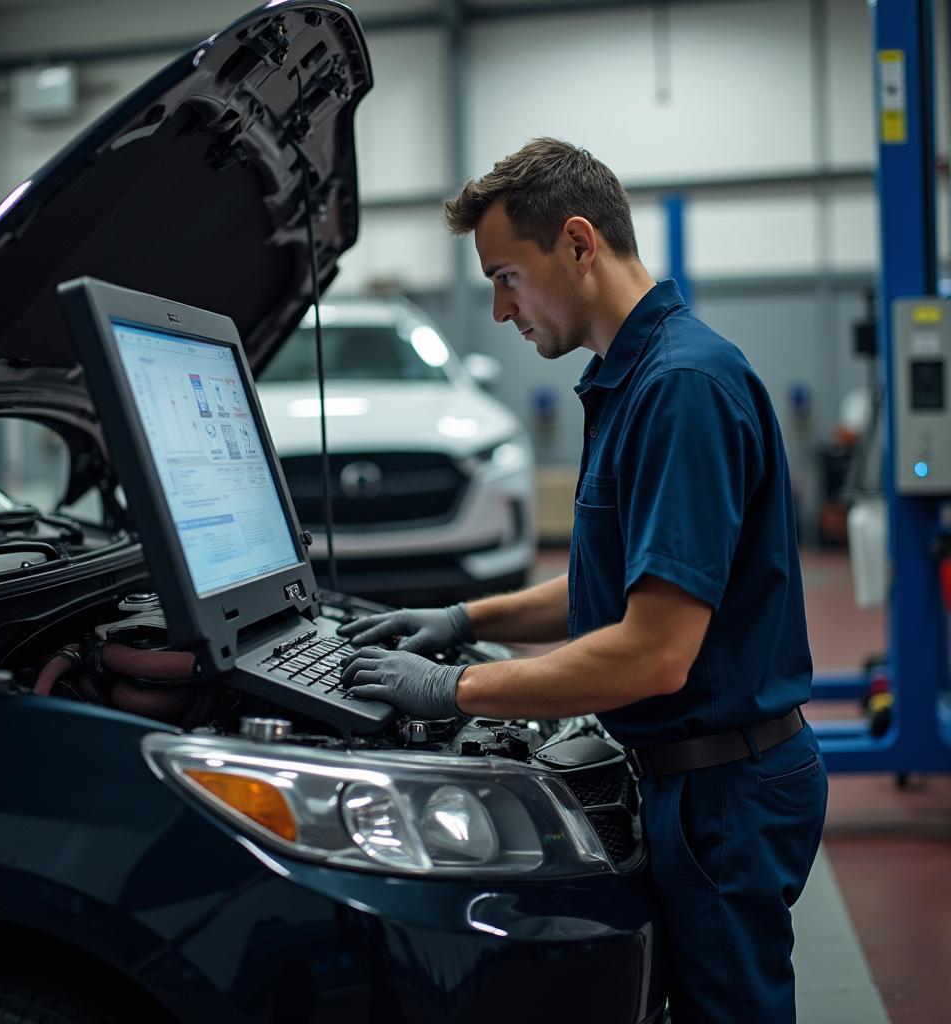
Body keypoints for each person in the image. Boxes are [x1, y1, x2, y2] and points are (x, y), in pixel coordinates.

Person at [337, 137, 828, 1024]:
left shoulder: (682, 387)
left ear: (576, 243)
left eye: (505, 276)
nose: (497, 310)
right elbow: (615, 584)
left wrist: (458, 690)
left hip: (723, 793)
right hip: (697, 776)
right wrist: (462, 615)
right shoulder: (634, 377)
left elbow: (651, 653)